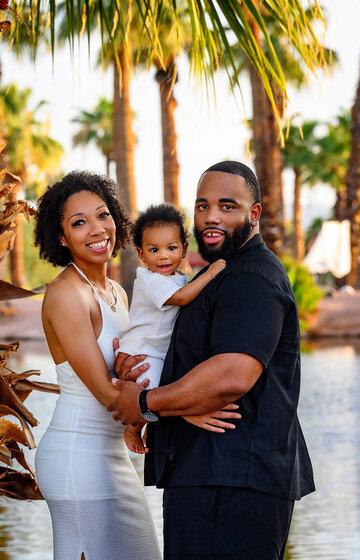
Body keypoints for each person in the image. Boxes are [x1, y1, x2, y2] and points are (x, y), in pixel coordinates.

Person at [108, 161, 316, 560]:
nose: (211, 217)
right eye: (202, 206)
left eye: (227, 205)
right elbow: (177, 350)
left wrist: (145, 404)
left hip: (233, 480)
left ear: (254, 214)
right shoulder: (221, 274)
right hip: (208, 474)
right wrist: (131, 366)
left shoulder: (252, 278)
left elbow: (230, 376)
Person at [34, 170, 162, 560]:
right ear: (61, 238)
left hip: (111, 455)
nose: (96, 229)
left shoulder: (116, 292)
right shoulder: (66, 294)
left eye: (102, 215)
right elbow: (108, 394)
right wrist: (189, 405)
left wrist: (136, 423)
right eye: (78, 222)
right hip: (78, 458)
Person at [118, 203, 228, 453]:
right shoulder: (150, 280)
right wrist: (209, 274)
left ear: (184, 249)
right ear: (141, 254)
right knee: (154, 392)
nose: (163, 256)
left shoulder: (177, 277)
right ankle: (133, 428)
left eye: (171, 248)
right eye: (154, 250)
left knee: (166, 388)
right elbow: (180, 298)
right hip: (143, 351)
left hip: (158, 350)